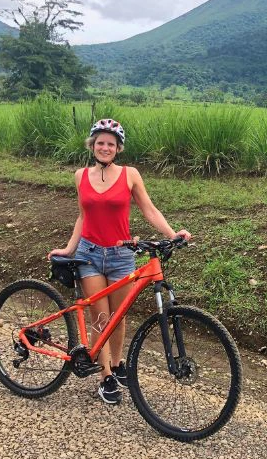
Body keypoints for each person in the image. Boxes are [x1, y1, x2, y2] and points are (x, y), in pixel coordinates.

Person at [48, 118, 191, 405]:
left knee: (118, 316)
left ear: (118, 148)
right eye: (100, 143)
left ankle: (116, 361)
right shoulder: (80, 176)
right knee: (100, 318)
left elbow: (148, 209)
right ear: (92, 145)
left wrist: (172, 233)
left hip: (121, 255)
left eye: (110, 144)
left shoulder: (130, 175)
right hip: (88, 254)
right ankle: (105, 376)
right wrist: (68, 248)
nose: (105, 147)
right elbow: (82, 216)